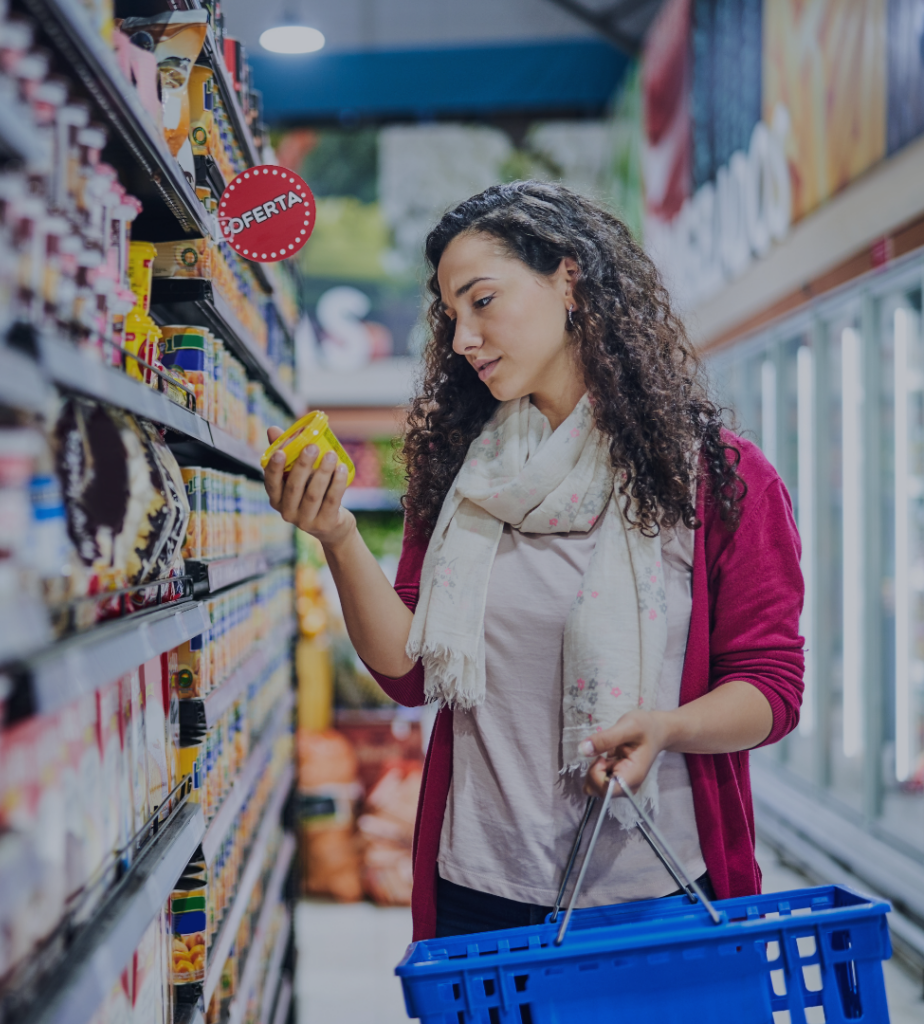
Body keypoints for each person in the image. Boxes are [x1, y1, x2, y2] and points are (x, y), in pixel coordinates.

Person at [264, 181, 804, 941]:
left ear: (568, 276)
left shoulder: (722, 481)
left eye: (482, 301)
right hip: (478, 893)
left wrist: (668, 728)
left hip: (658, 896)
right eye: (451, 315)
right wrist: (337, 535)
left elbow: (772, 688)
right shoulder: (464, 480)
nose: (462, 339)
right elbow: (411, 671)